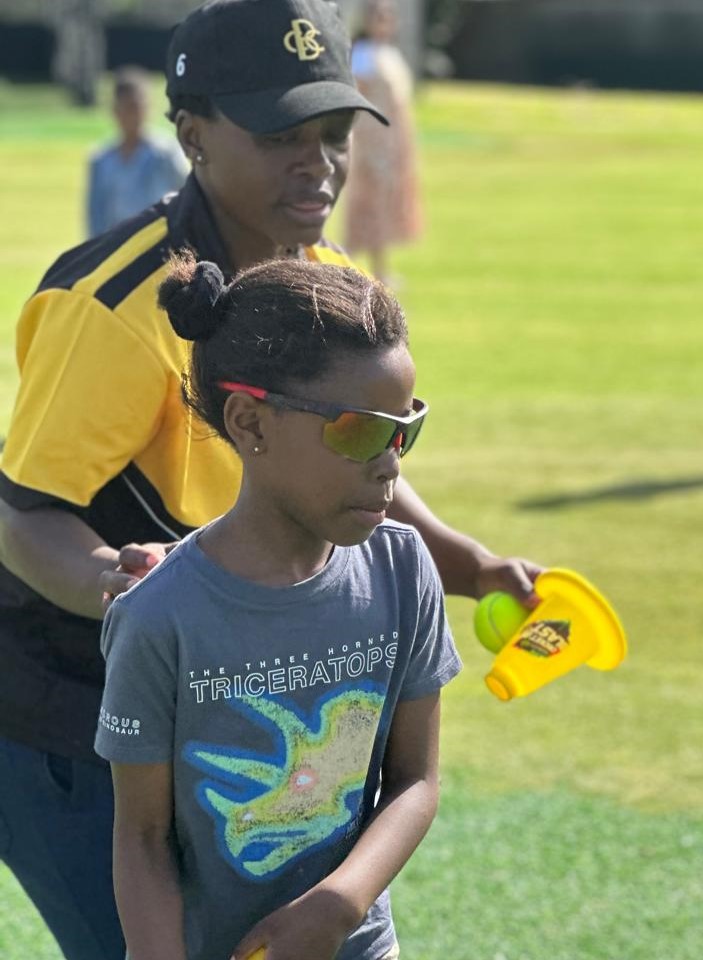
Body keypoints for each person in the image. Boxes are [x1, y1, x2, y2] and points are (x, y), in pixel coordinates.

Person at [0, 2, 539, 958]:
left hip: (223, 689)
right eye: (283, 135)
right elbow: (20, 513)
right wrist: (116, 586)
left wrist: (468, 561)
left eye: (334, 134)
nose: (320, 163)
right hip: (65, 709)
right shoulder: (113, 308)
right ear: (193, 134)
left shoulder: (321, 283)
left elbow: (353, 457)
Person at [97, 252, 457, 960]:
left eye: (404, 429)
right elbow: (141, 839)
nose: (390, 461)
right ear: (250, 423)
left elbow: (415, 780)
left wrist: (339, 904)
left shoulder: (403, 569)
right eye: (359, 430)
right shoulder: (158, 618)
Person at [344, 0, 423, 285]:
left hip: (393, 142)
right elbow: (358, 99)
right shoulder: (363, 55)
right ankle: (346, 263)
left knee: (386, 205)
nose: (385, 21)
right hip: (371, 139)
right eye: (379, 16)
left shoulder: (389, 53)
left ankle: (379, 268)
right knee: (369, 204)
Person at [86, 66, 187, 237]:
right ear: (115, 110)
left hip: (159, 244)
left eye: (138, 107)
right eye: (128, 107)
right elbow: (96, 215)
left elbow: (186, 196)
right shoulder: (101, 159)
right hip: (117, 247)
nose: (133, 115)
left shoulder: (165, 152)